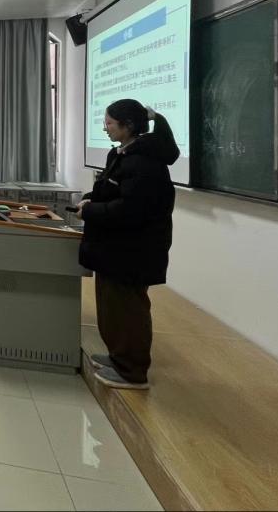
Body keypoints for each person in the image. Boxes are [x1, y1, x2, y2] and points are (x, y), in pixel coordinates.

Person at [76, 99, 179, 390]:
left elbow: (131, 210)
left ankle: (132, 371)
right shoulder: (123, 154)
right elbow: (111, 192)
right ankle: (118, 356)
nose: (105, 128)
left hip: (133, 250)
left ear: (128, 125)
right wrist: (90, 200)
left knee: (128, 310)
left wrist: (92, 211)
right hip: (114, 247)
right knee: (112, 307)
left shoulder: (145, 161)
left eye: (109, 123)